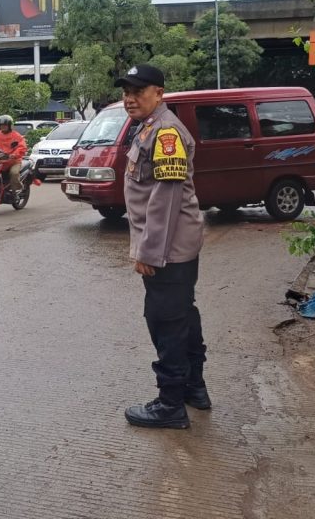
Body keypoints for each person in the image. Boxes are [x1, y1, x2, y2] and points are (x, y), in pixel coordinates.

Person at [116, 64, 208, 430]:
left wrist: (148, 253)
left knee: (165, 321)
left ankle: (170, 404)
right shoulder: (149, 128)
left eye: (138, 91)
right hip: (176, 245)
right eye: (126, 91)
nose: (129, 98)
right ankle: (194, 388)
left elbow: (165, 198)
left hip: (167, 249)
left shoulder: (166, 133)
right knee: (183, 315)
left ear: (159, 93)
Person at [0, 115, 27, 193]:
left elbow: (22, 147)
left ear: (10, 125)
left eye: (5, 125)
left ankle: (17, 190)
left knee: (14, 173)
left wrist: (14, 154)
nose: (3, 127)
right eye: (1, 125)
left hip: (13, 162)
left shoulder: (16, 135)